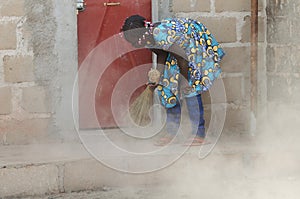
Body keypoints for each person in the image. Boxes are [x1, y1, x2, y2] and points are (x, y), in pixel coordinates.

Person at [121, 15, 225, 146]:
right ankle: (172, 132)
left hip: (189, 51)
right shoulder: (147, 38)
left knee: (190, 90)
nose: (133, 44)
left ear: (140, 32)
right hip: (177, 56)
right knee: (167, 90)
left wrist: (185, 81)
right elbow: (162, 53)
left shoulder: (160, 33)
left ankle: (198, 134)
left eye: (133, 40)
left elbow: (182, 58)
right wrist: (157, 77)